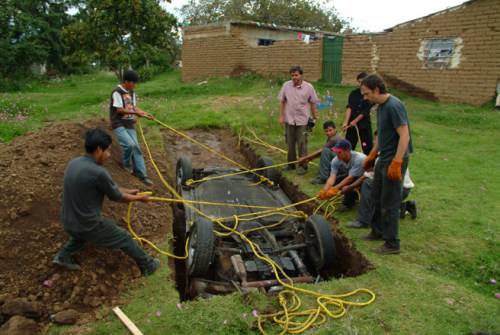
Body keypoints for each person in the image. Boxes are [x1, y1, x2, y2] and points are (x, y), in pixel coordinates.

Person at [53, 129, 160, 276]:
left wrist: (129, 192)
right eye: (108, 151)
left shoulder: (74, 163)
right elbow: (117, 197)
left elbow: (110, 189)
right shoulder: (98, 173)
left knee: (80, 234)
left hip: (68, 222)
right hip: (88, 225)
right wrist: (140, 199)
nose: (109, 155)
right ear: (98, 150)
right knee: (124, 237)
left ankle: (62, 256)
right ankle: (149, 265)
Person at [359, 74, 413, 255]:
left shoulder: (394, 106)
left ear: (377, 90)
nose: (365, 98)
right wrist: (373, 154)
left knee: (390, 202)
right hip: (384, 158)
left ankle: (392, 243)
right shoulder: (380, 107)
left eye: (367, 94)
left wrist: (397, 162)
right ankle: (377, 231)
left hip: (395, 160)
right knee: (376, 196)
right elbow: (382, 135)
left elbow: (404, 136)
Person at [110, 70, 154, 185]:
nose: (134, 85)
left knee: (137, 149)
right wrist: (136, 114)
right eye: (133, 82)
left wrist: (145, 114)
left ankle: (142, 174)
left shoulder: (131, 92)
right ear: (126, 81)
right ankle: (126, 164)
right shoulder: (117, 92)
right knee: (129, 144)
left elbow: (133, 107)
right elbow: (119, 109)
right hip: (118, 124)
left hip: (129, 124)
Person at [278, 65, 320, 175]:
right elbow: (282, 101)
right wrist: (281, 117)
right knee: (290, 142)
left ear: (301, 75)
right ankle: (291, 164)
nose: (294, 77)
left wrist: (315, 117)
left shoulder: (309, 87)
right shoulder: (286, 86)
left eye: (296, 75)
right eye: (292, 75)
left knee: (302, 143)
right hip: (289, 119)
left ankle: (303, 166)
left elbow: (312, 103)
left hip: (303, 120)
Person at [346, 165, 418, 229]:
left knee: (368, 183)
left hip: (396, 190)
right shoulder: (397, 155)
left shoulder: (383, 158)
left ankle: (364, 220)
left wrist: (348, 187)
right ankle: (405, 206)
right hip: (403, 190)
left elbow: (364, 177)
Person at [316, 139, 367, 212]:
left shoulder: (359, 159)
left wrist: (335, 189)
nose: (337, 155)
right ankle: (353, 194)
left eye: (339, 152)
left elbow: (350, 178)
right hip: (352, 176)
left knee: (348, 184)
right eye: (336, 152)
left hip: (365, 178)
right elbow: (332, 177)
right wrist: (325, 190)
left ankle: (348, 204)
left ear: (347, 151)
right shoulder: (335, 160)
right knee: (336, 182)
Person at [342, 72, 374, 155]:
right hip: (352, 125)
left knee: (366, 146)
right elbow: (350, 107)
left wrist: (355, 121)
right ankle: (347, 164)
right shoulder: (353, 93)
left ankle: (369, 165)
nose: (361, 84)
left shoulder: (370, 95)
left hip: (363, 125)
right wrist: (346, 123)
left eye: (362, 82)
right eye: (359, 82)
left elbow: (365, 111)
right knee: (349, 146)